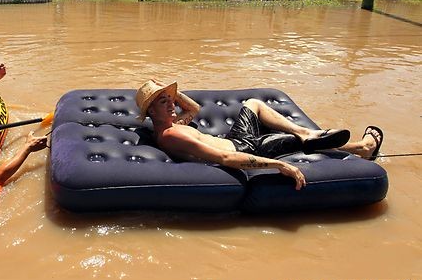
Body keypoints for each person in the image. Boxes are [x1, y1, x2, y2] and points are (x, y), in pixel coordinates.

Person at [135, 80, 383, 190]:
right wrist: (279, 165)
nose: (171, 105)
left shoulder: (175, 122)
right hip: (244, 151)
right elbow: (226, 159)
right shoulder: (169, 134)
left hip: (236, 140)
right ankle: (362, 149)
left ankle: (305, 132)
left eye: (171, 100)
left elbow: (194, 109)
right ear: (150, 112)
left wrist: (170, 92)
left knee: (253, 102)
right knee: (295, 145)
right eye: (162, 102)